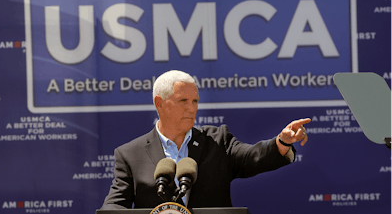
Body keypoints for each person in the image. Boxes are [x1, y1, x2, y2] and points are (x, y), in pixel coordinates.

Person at [101, 70, 310, 209]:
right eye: (183, 101)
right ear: (160, 103)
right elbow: (114, 206)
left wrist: (281, 143)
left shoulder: (217, 141)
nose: (192, 108)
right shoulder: (130, 154)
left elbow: (251, 156)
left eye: (195, 101)